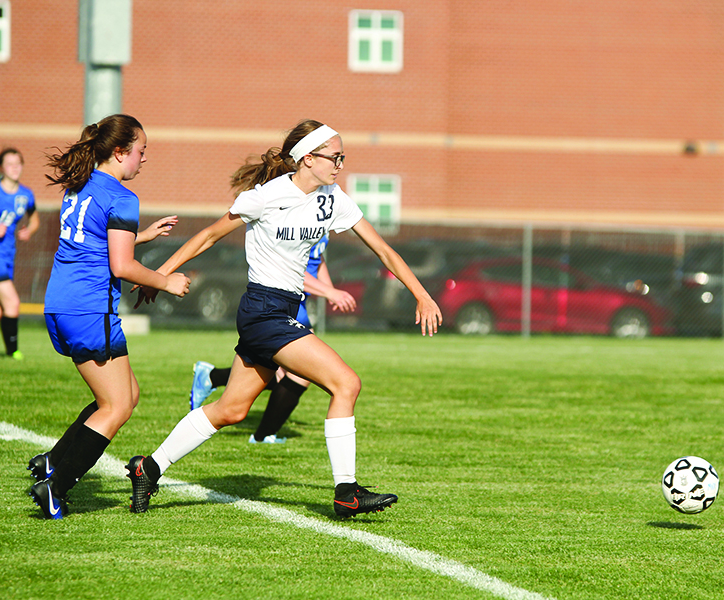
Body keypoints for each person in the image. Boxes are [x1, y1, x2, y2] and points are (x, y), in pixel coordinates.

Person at [128, 119, 441, 518]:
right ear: (307, 158)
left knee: (231, 410)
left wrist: (422, 294)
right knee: (346, 382)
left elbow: (383, 250)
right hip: (263, 310)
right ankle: (347, 492)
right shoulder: (266, 197)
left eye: (343, 156)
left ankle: (147, 468)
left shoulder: (333, 197)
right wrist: (159, 276)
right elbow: (207, 236)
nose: (340, 164)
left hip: (281, 309)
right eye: (335, 156)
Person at [27, 114, 190, 520]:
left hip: (62, 302)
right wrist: (165, 281)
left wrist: (143, 235)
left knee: (125, 395)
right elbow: (122, 266)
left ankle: (51, 462)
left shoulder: (79, 185)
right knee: (116, 407)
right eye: (141, 151)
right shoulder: (121, 196)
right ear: (120, 152)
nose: (144, 159)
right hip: (88, 307)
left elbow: (91, 241)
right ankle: (55, 486)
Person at [190, 234, 358, 445]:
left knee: (281, 374)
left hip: (299, 303)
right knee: (299, 375)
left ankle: (214, 378)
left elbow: (318, 256)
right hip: (281, 302)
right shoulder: (297, 216)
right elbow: (292, 268)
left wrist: (330, 289)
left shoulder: (322, 213)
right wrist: (330, 292)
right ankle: (261, 433)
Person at [0, 148, 41, 360]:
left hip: (7, 255)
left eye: (18, 163)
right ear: (1, 168)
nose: (14, 168)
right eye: (9, 164)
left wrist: (28, 231)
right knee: (12, 302)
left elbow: (34, 219)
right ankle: (13, 353)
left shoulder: (26, 194)